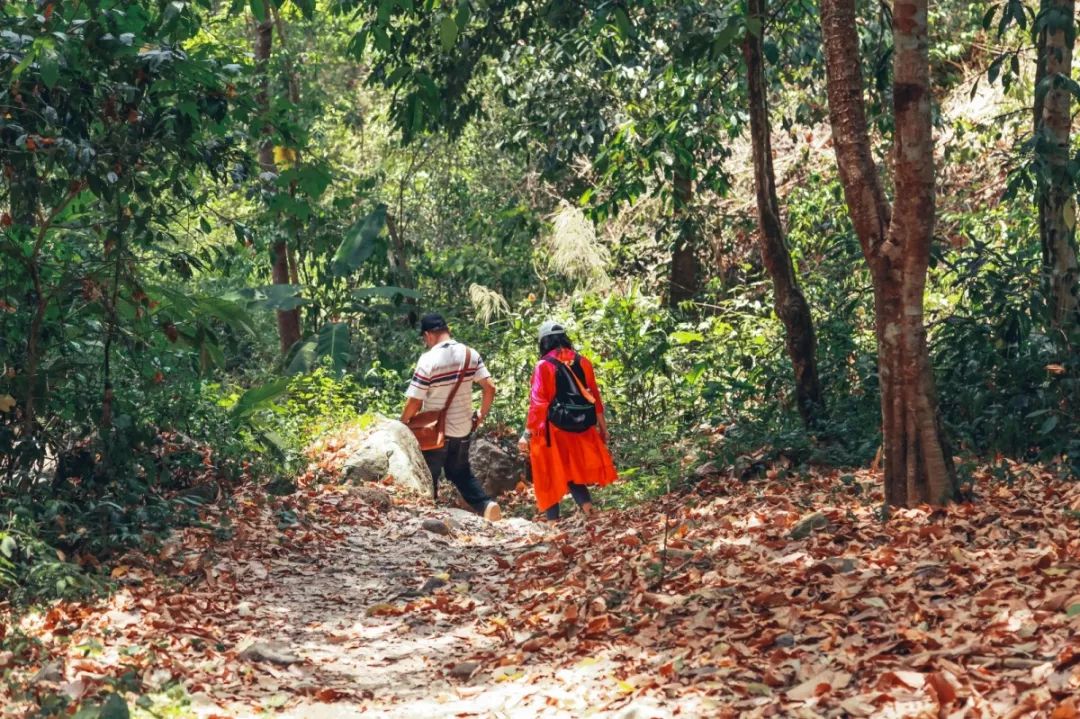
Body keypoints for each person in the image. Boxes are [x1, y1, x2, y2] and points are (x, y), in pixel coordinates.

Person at [401, 313, 502, 521]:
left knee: (430, 477)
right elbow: (490, 387)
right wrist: (481, 415)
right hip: (463, 429)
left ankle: (432, 519)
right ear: (448, 330)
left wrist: (403, 423)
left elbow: (415, 401)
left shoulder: (428, 360)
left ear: (428, 335)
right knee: (460, 473)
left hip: (434, 433)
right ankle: (487, 505)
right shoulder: (470, 354)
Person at [518, 320, 616, 521]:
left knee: (547, 474)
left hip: (552, 430)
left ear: (543, 342)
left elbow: (538, 404)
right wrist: (603, 427)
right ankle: (590, 513)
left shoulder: (543, 365)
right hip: (581, 428)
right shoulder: (583, 361)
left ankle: (553, 524)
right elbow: (594, 397)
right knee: (573, 473)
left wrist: (526, 434)